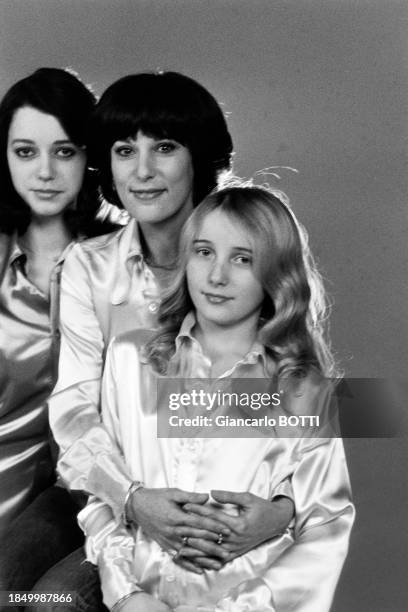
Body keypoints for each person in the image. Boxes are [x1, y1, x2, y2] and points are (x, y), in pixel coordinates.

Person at [36, 73, 294, 605]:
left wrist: (284, 508)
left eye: (165, 147)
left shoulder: (252, 250)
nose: (144, 170)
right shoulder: (89, 267)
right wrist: (134, 499)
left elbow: (310, 400)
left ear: (199, 156)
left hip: (225, 503)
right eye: (125, 149)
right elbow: (74, 409)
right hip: (110, 496)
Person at [80, 184, 355, 612]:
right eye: (204, 252)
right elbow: (103, 496)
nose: (217, 275)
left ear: (276, 274)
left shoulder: (305, 389)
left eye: (242, 259)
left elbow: (326, 527)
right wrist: (126, 596)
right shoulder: (129, 359)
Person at [0, 67, 117, 590]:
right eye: (25, 152)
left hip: (101, 493)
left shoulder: (125, 255)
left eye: (64, 151)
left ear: (89, 156)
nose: (45, 171)